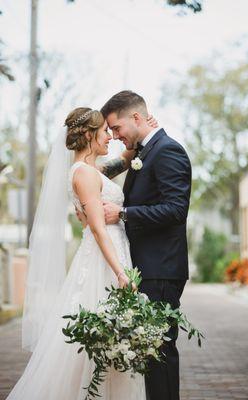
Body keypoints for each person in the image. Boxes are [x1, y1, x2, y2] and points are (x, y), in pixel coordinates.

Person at [6, 107, 156, 400]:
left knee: (110, 338)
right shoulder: (85, 174)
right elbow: (99, 230)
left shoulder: (88, 170)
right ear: (89, 135)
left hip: (111, 253)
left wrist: (143, 133)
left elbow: (122, 161)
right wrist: (120, 272)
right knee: (98, 340)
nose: (110, 138)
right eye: (104, 132)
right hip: (104, 260)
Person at [99, 90, 192, 400]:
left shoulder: (167, 151)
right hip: (147, 268)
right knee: (151, 354)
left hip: (160, 269)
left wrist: (123, 213)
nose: (114, 136)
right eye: (109, 131)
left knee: (160, 352)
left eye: (116, 128)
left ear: (136, 118)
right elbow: (98, 172)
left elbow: (176, 209)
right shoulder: (144, 151)